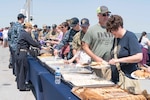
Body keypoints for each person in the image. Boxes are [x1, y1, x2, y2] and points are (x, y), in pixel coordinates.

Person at [106, 15, 142, 92]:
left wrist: (118, 60)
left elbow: (139, 57)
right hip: (116, 80)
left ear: (118, 27)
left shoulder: (130, 37)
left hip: (128, 80)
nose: (112, 33)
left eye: (112, 30)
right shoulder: (116, 39)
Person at [82, 6, 114, 79]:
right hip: (98, 65)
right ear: (98, 15)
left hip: (110, 65)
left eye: (107, 15)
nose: (106, 17)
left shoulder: (112, 29)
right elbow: (84, 46)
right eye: (103, 15)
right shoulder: (92, 30)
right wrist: (95, 58)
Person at [16, 22, 46, 91]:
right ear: (28, 28)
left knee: (20, 70)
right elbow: (32, 42)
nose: (31, 30)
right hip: (22, 53)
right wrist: (41, 46)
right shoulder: (25, 34)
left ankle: (20, 85)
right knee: (22, 71)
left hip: (20, 53)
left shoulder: (22, 33)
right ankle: (22, 87)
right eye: (30, 28)